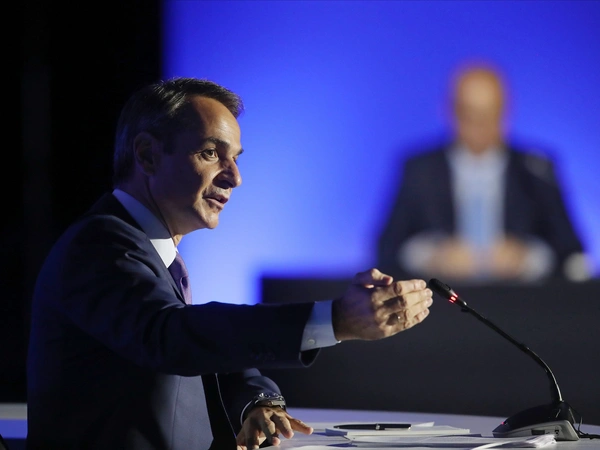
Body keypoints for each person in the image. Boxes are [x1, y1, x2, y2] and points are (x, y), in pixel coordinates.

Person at [26, 77, 434, 450]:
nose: (235, 177)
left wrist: (255, 399)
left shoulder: (148, 250)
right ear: (147, 155)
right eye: (211, 153)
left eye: (236, 158)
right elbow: (171, 337)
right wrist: (334, 320)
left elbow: (200, 347)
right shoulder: (98, 245)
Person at [377, 62, 591, 284]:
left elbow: (570, 252)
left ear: (505, 111)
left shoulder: (535, 169)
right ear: (451, 111)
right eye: (470, 115)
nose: (480, 126)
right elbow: (387, 249)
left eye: (490, 115)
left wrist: (528, 257)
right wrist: (432, 256)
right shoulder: (420, 169)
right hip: (440, 300)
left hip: (520, 299)